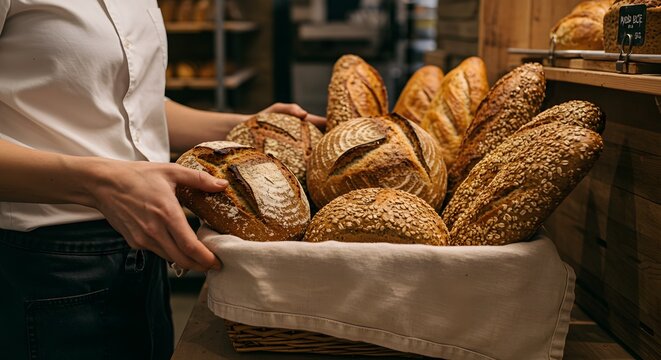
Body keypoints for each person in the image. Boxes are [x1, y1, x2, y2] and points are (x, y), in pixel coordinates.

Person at [0, 1, 324, 359]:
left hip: (143, 252)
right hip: (43, 263)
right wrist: (101, 184)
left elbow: (132, 105)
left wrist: (247, 127)